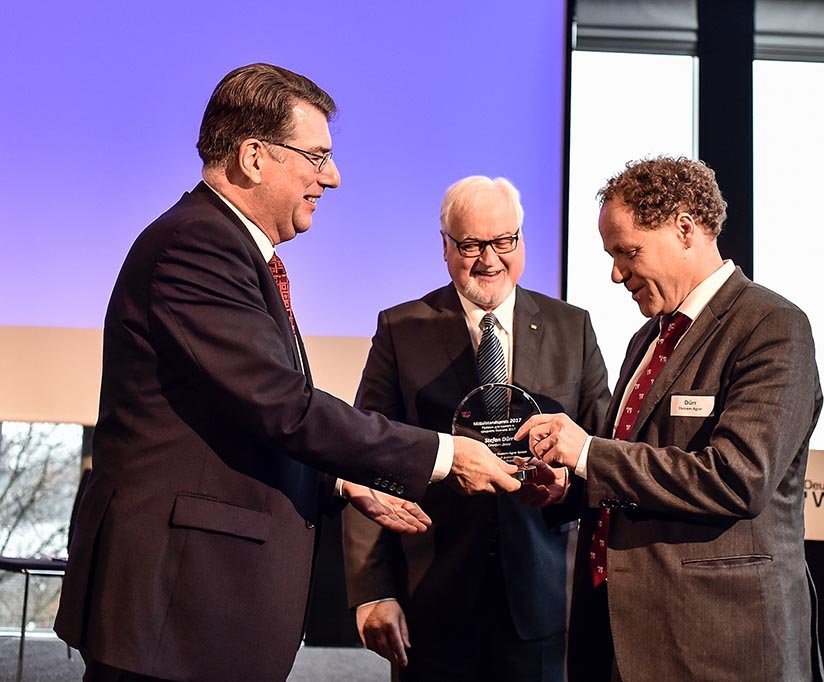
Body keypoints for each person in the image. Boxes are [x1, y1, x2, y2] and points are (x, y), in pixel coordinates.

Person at [54, 64, 520, 682]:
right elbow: (282, 405)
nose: (332, 176)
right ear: (254, 157)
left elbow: (238, 417)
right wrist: (445, 454)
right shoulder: (197, 246)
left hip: (195, 605)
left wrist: (341, 483)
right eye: (317, 156)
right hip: (173, 606)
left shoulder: (230, 248)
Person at [518, 157, 824, 682]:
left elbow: (738, 477)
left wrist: (587, 452)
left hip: (719, 641)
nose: (616, 274)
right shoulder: (648, 338)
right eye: (612, 256)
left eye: (628, 251)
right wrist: (569, 485)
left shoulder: (773, 326)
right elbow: (639, 472)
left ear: (685, 229)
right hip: (619, 632)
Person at [343, 176, 611, 681]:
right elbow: (366, 456)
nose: (489, 259)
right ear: (445, 246)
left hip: (542, 600)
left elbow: (603, 453)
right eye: (471, 245)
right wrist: (373, 590)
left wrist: (565, 485)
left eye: (504, 241)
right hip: (432, 599)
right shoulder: (402, 329)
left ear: (521, 240)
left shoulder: (571, 327)